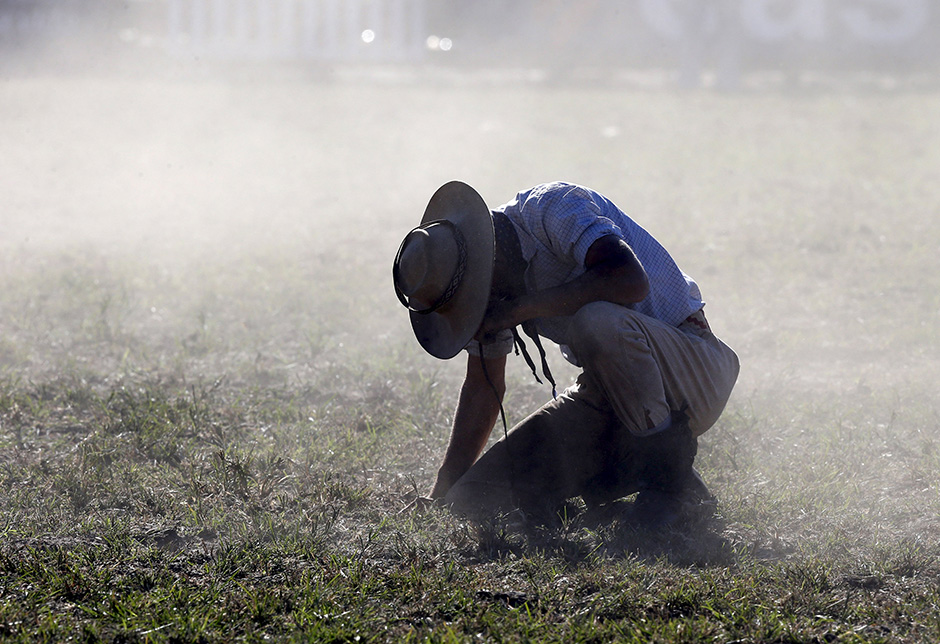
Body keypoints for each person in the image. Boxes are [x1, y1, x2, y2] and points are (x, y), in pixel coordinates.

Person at [393, 181, 739, 527]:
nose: (476, 306)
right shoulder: (490, 287)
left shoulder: (553, 207)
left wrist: (518, 310)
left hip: (692, 370)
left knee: (596, 321)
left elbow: (629, 280)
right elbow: (483, 387)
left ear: (487, 259)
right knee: (474, 497)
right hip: (610, 397)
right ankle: (655, 480)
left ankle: (670, 484)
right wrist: (445, 491)